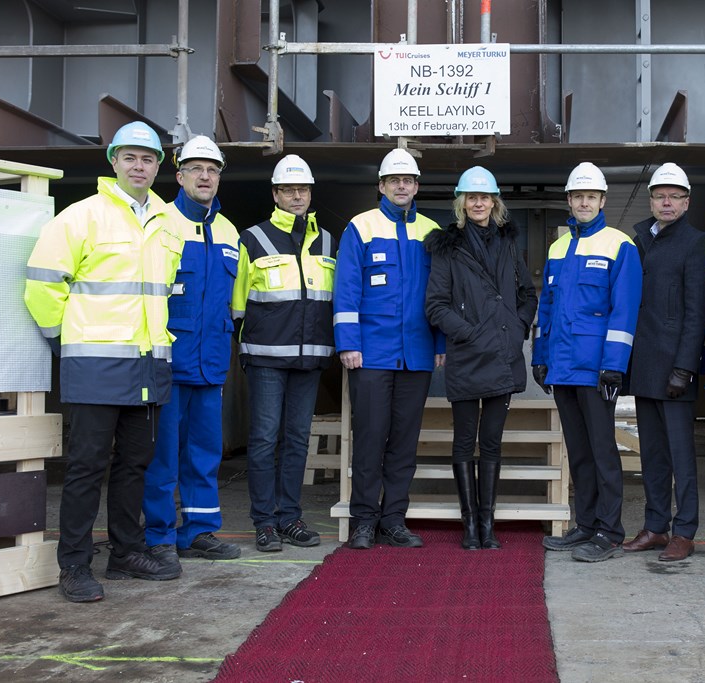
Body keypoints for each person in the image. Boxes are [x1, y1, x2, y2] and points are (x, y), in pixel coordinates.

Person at [24, 121, 185, 602]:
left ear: (159, 166)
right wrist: (65, 341)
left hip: (149, 366)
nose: (140, 166)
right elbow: (42, 286)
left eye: (149, 158)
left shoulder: (168, 221)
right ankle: (73, 565)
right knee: (86, 468)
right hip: (94, 365)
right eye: (131, 157)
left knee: (135, 465)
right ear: (113, 161)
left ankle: (125, 552)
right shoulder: (81, 217)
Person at [334, 148, 443, 550]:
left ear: (416, 187)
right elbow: (346, 289)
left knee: (403, 441)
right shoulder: (360, 227)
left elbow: (440, 294)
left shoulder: (431, 231)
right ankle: (364, 519)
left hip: (416, 354)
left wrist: (440, 343)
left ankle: (393, 519)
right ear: (381, 185)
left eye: (409, 180)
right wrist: (348, 343)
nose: (402, 186)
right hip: (371, 353)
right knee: (370, 436)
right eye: (395, 180)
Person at [424, 167, 538, 550]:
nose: (478, 203)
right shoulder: (447, 247)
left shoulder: (508, 243)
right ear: (461, 202)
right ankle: (469, 525)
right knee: (463, 442)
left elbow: (528, 293)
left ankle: (487, 525)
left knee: (491, 442)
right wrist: (469, 332)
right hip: (468, 354)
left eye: (484, 197)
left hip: (503, 354)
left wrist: (517, 324)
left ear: (494, 202)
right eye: (471, 197)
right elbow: (435, 305)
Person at [534, 162, 642, 563]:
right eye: (578, 196)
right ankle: (586, 525)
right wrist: (540, 359)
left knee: (602, 452)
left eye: (591, 196)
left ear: (602, 201)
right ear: (569, 200)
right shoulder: (558, 248)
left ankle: (610, 531)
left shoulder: (619, 245)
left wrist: (613, 365)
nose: (584, 202)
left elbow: (624, 310)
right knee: (578, 452)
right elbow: (547, 309)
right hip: (562, 367)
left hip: (597, 368)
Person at [142, 136, 241, 569]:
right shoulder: (158, 222)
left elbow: (233, 303)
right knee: (162, 454)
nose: (206, 176)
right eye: (197, 169)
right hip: (167, 358)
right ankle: (159, 536)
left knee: (205, 451)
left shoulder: (228, 230)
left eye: (213, 169)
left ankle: (198, 531)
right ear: (179, 176)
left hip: (211, 360)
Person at [231, 154, 336, 552]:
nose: (297, 195)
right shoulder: (252, 238)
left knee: (297, 439)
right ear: (275, 194)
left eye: (303, 189)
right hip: (266, 359)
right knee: (262, 440)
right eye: (289, 189)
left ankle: (290, 517)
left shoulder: (327, 240)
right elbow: (237, 305)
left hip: (309, 360)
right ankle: (265, 522)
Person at [622, 163, 705, 562]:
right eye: (660, 195)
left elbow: (696, 311)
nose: (667, 202)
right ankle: (656, 527)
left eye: (675, 196)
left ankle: (684, 530)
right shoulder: (639, 241)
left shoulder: (696, 242)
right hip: (644, 364)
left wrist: (685, 367)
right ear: (651, 200)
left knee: (680, 456)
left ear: (687, 202)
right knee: (652, 455)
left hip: (675, 366)